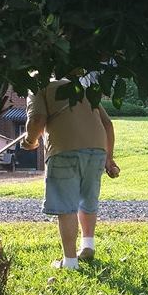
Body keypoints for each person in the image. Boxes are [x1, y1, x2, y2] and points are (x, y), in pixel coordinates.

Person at [21, 77, 119, 269]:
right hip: (97, 148)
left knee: (66, 206)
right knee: (88, 198)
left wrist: (30, 141)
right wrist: (109, 158)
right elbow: (107, 124)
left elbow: (37, 120)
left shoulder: (37, 84)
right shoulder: (81, 86)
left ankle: (70, 262)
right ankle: (88, 245)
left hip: (64, 148)